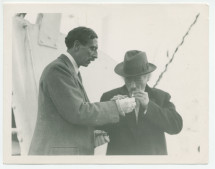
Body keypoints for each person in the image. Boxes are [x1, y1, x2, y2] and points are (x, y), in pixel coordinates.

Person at [28, 27, 136, 155]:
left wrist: (89, 135)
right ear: (77, 45)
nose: (96, 55)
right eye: (92, 48)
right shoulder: (58, 70)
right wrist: (116, 107)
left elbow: (69, 114)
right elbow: (78, 112)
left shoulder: (69, 70)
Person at [98, 50, 183, 155]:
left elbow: (176, 126)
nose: (133, 85)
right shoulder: (109, 97)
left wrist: (149, 106)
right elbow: (98, 131)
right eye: (128, 79)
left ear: (148, 77)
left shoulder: (161, 97)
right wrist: (112, 108)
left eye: (138, 79)